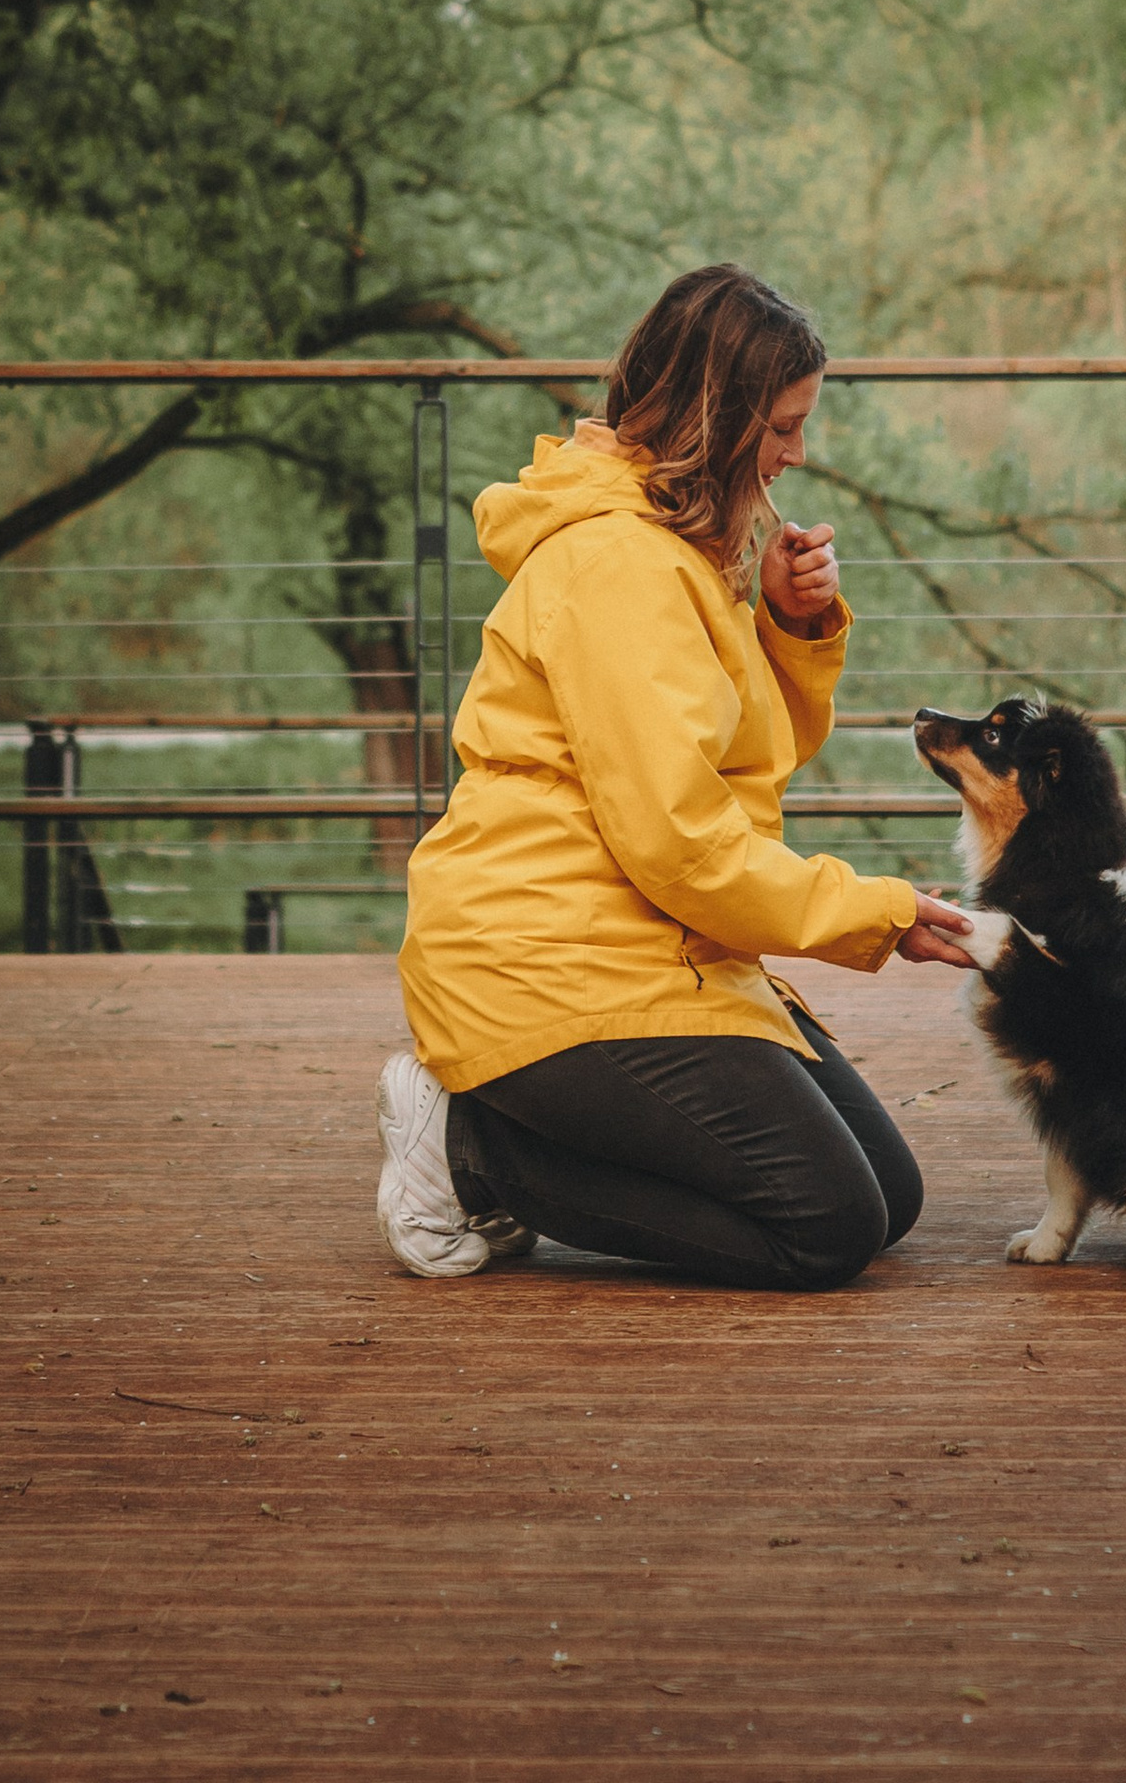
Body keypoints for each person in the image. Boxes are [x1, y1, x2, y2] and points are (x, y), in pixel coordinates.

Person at [376, 266, 976, 1290]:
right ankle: (472, 1144)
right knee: (825, 1223)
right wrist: (872, 912)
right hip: (542, 960)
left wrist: (784, 624)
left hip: (644, 945)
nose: (796, 451)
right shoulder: (622, 567)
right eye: (783, 425)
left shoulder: (680, 553)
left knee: (886, 1196)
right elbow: (682, 842)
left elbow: (741, 763)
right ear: (721, 415)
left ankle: (509, 1141)